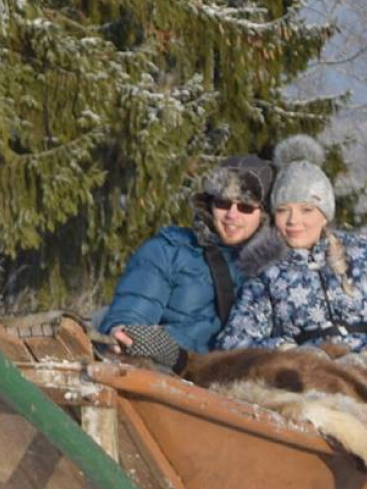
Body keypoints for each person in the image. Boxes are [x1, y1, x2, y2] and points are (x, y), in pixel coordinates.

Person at [216, 153, 367, 405]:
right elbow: (233, 341)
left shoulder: (362, 255)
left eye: (306, 210)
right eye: (283, 210)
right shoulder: (267, 272)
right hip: (308, 382)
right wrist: (291, 353)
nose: (293, 221)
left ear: (324, 214)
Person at [99, 154, 285, 361]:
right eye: (223, 203)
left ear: (264, 214)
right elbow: (137, 303)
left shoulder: (277, 268)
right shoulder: (169, 250)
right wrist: (123, 330)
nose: (232, 215)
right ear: (210, 204)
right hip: (170, 369)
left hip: (245, 378)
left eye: (245, 207)